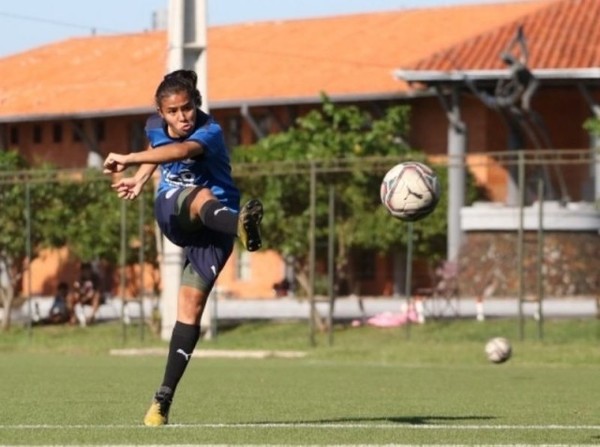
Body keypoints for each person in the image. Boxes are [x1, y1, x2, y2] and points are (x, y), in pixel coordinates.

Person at [102, 69, 263, 427]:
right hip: (175, 211)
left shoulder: (210, 132)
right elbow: (159, 150)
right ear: (161, 113)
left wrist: (129, 160)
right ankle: (239, 225)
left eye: (187, 108)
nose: (182, 116)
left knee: (190, 310)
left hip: (215, 229)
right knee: (197, 195)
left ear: (196, 105)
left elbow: (182, 150)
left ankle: (162, 400)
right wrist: (141, 178)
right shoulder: (153, 127)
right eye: (173, 111)